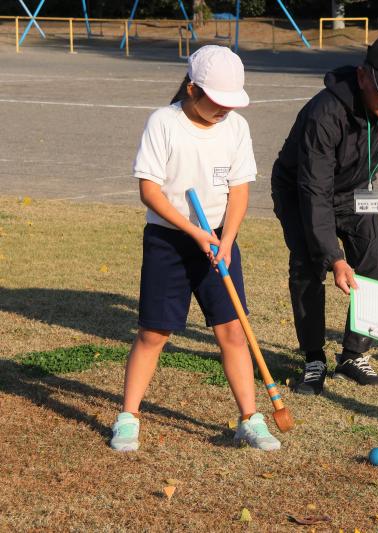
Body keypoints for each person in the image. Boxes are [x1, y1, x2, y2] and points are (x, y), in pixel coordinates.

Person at [110, 45, 280, 452]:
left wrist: (227, 240)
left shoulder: (236, 128)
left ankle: (249, 419)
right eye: (217, 102)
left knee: (232, 331)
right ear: (192, 88)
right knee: (154, 332)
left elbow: (239, 190)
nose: (224, 110)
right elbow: (149, 190)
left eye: (230, 103)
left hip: (220, 239)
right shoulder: (163, 123)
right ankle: (128, 417)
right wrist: (191, 230)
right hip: (170, 239)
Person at [271, 33, 378, 395]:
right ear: (363, 77)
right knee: (308, 264)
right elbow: (314, 192)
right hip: (303, 189)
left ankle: (353, 355)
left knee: (376, 260)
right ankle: (314, 359)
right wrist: (333, 257)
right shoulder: (325, 113)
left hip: (360, 189)